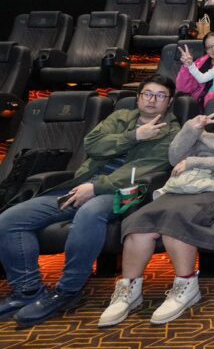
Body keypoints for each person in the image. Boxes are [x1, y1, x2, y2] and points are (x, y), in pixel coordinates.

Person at [0, 76, 180, 327]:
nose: (152, 100)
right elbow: (92, 145)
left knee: (90, 211)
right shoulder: (120, 117)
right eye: (147, 94)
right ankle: (27, 290)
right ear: (138, 97)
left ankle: (68, 290)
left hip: (125, 193)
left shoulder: (171, 133)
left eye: (160, 96)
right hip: (80, 186)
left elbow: (142, 171)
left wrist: (96, 188)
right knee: (10, 219)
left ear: (169, 102)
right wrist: (134, 136)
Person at [100, 84, 214, 326]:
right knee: (138, 224)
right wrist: (191, 129)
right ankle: (128, 290)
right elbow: (175, 157)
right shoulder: (210, 126)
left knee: (176, 221)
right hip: (183, 186)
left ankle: (186, 285)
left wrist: (196, 162)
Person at [175, 32, 214, 101]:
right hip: (198, 102)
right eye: (209, 47)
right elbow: (183, 88)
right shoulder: (199, 63)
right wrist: (187, 66)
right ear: (206, 50)